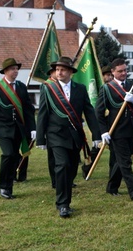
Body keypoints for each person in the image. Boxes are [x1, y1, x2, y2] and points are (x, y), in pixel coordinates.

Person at [37, 57, 101, 217]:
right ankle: (62, 204)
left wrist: (96, 134)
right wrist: (40, 138)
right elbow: (43, 113)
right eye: (57, 69)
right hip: (55, 135)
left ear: (71, 72)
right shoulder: (48, 88)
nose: (59, 72)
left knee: (71, 168)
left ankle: (66, 200)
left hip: (74, 135)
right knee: (62, 166)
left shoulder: (80, 88)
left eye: (63, 69)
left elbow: (89, 112)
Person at [95, 58, 133, 201]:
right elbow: (98, 112)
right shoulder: (106, 88)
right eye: (120, 71)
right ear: (112, 72)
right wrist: (104, 131)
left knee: (119, 160)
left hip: (131, 130)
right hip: (116, 131)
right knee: (125, 163)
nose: (124, 73)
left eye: (125, 70)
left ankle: (112, 187)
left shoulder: (132, 86)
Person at [0, 58, 36, 199]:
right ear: (5, 71)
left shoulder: (21, 86)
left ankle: (9, 186)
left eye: (17, 68)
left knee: (14, 156)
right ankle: (3, 186)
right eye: (13, 69)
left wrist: (32, 127)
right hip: (2, 128)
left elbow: (28, 109)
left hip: (18, 128)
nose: (16, 71)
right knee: (7, 154)